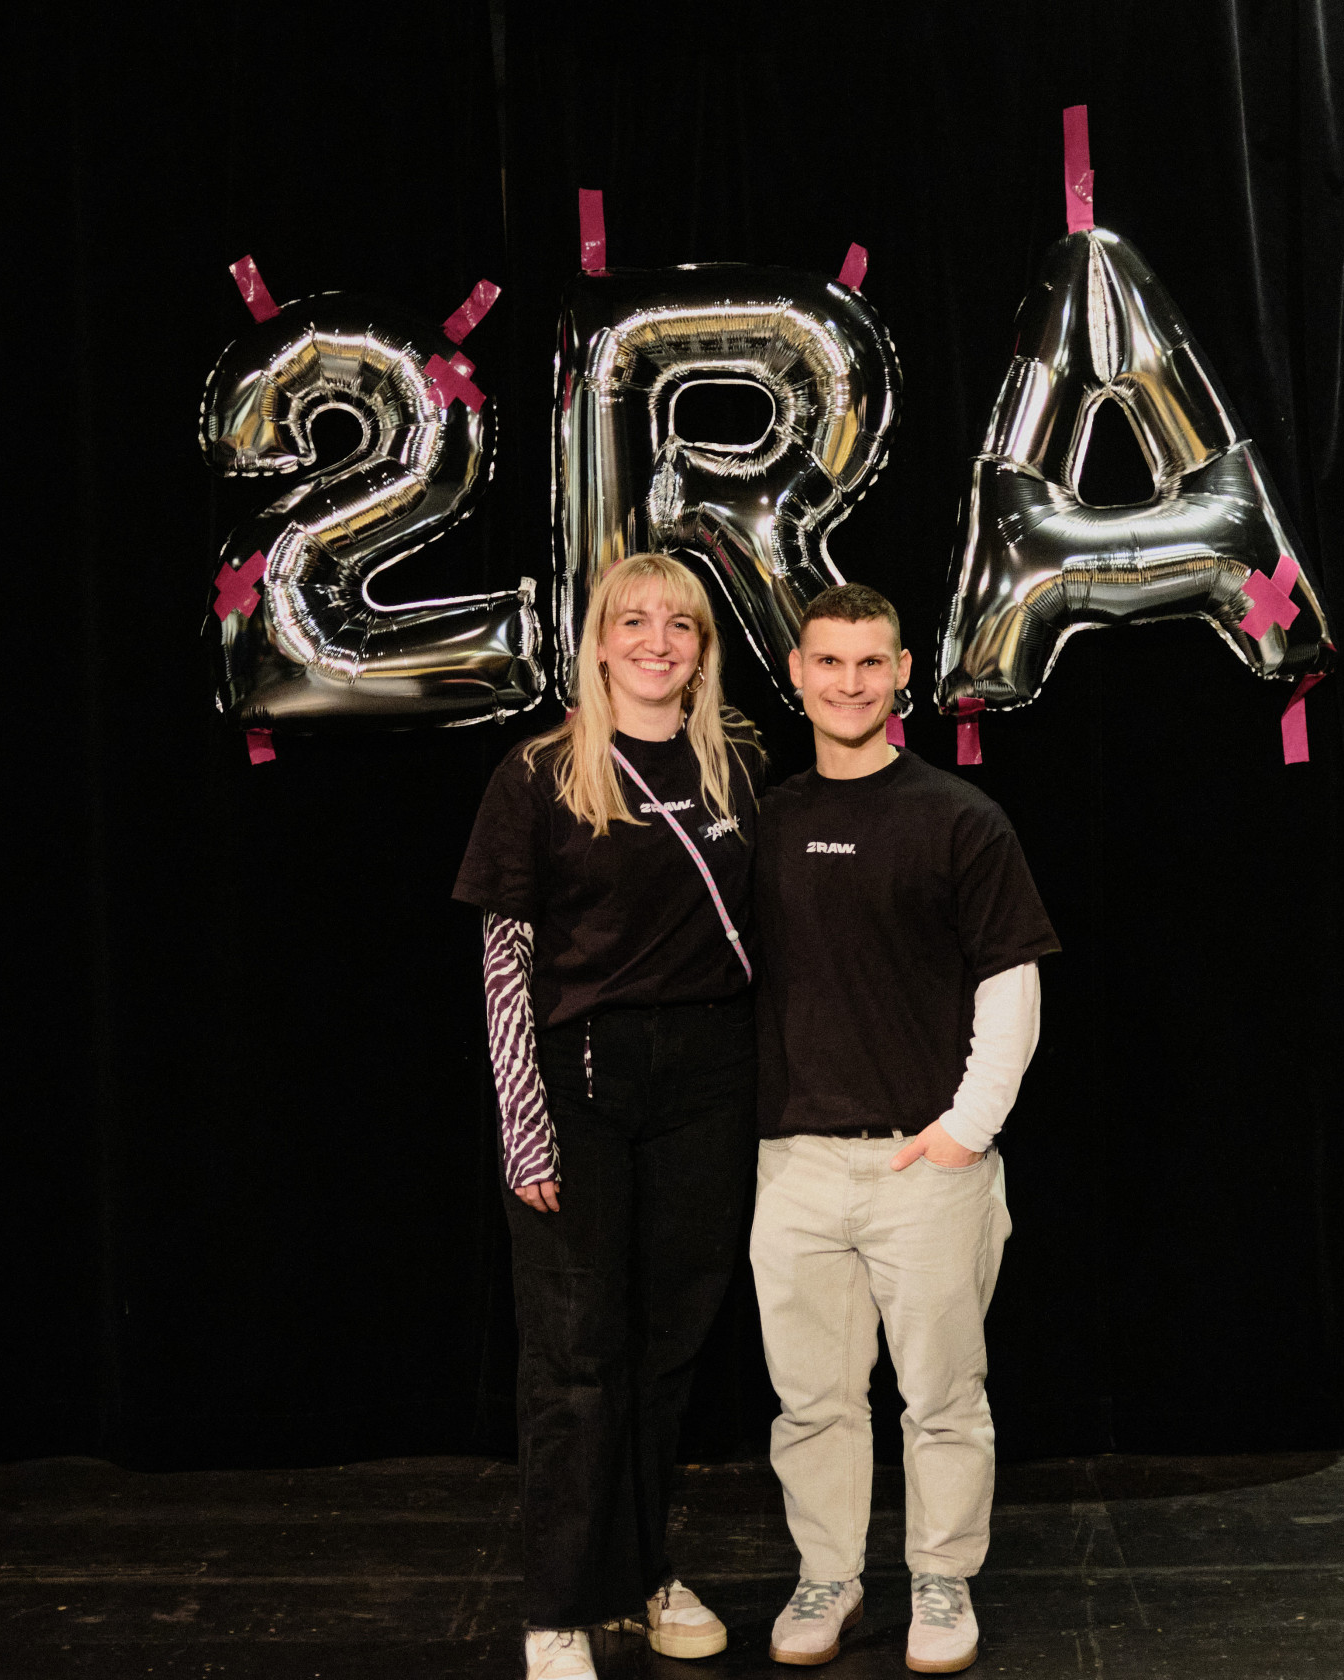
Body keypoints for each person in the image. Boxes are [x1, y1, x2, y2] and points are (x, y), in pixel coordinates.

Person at [452, 553, 765, 1680]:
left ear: (702, 649)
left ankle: (640, 1575)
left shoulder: (740, 764)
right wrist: (524, 1126)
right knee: (576, 1358)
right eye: (632, 622)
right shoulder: (539, 772)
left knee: (668, 1349)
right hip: (580, 1079)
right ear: (597, 643)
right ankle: (559, 1605)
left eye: (679, 625)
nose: (656, 642)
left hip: (709, 1080)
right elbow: (505, 960)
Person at [748, 583, 1059, 1674]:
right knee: (812, 1404)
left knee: (942, 1400)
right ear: (797, 674)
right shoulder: (764, 821)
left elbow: (1012, 986)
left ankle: (941, 1579)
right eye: (829, 663)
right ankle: (828, 1576)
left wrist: (964, 1132)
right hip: (791, 1162)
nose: (850, 683)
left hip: (924, 1164)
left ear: (902, 674)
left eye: (870, 663)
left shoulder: (959, 818)